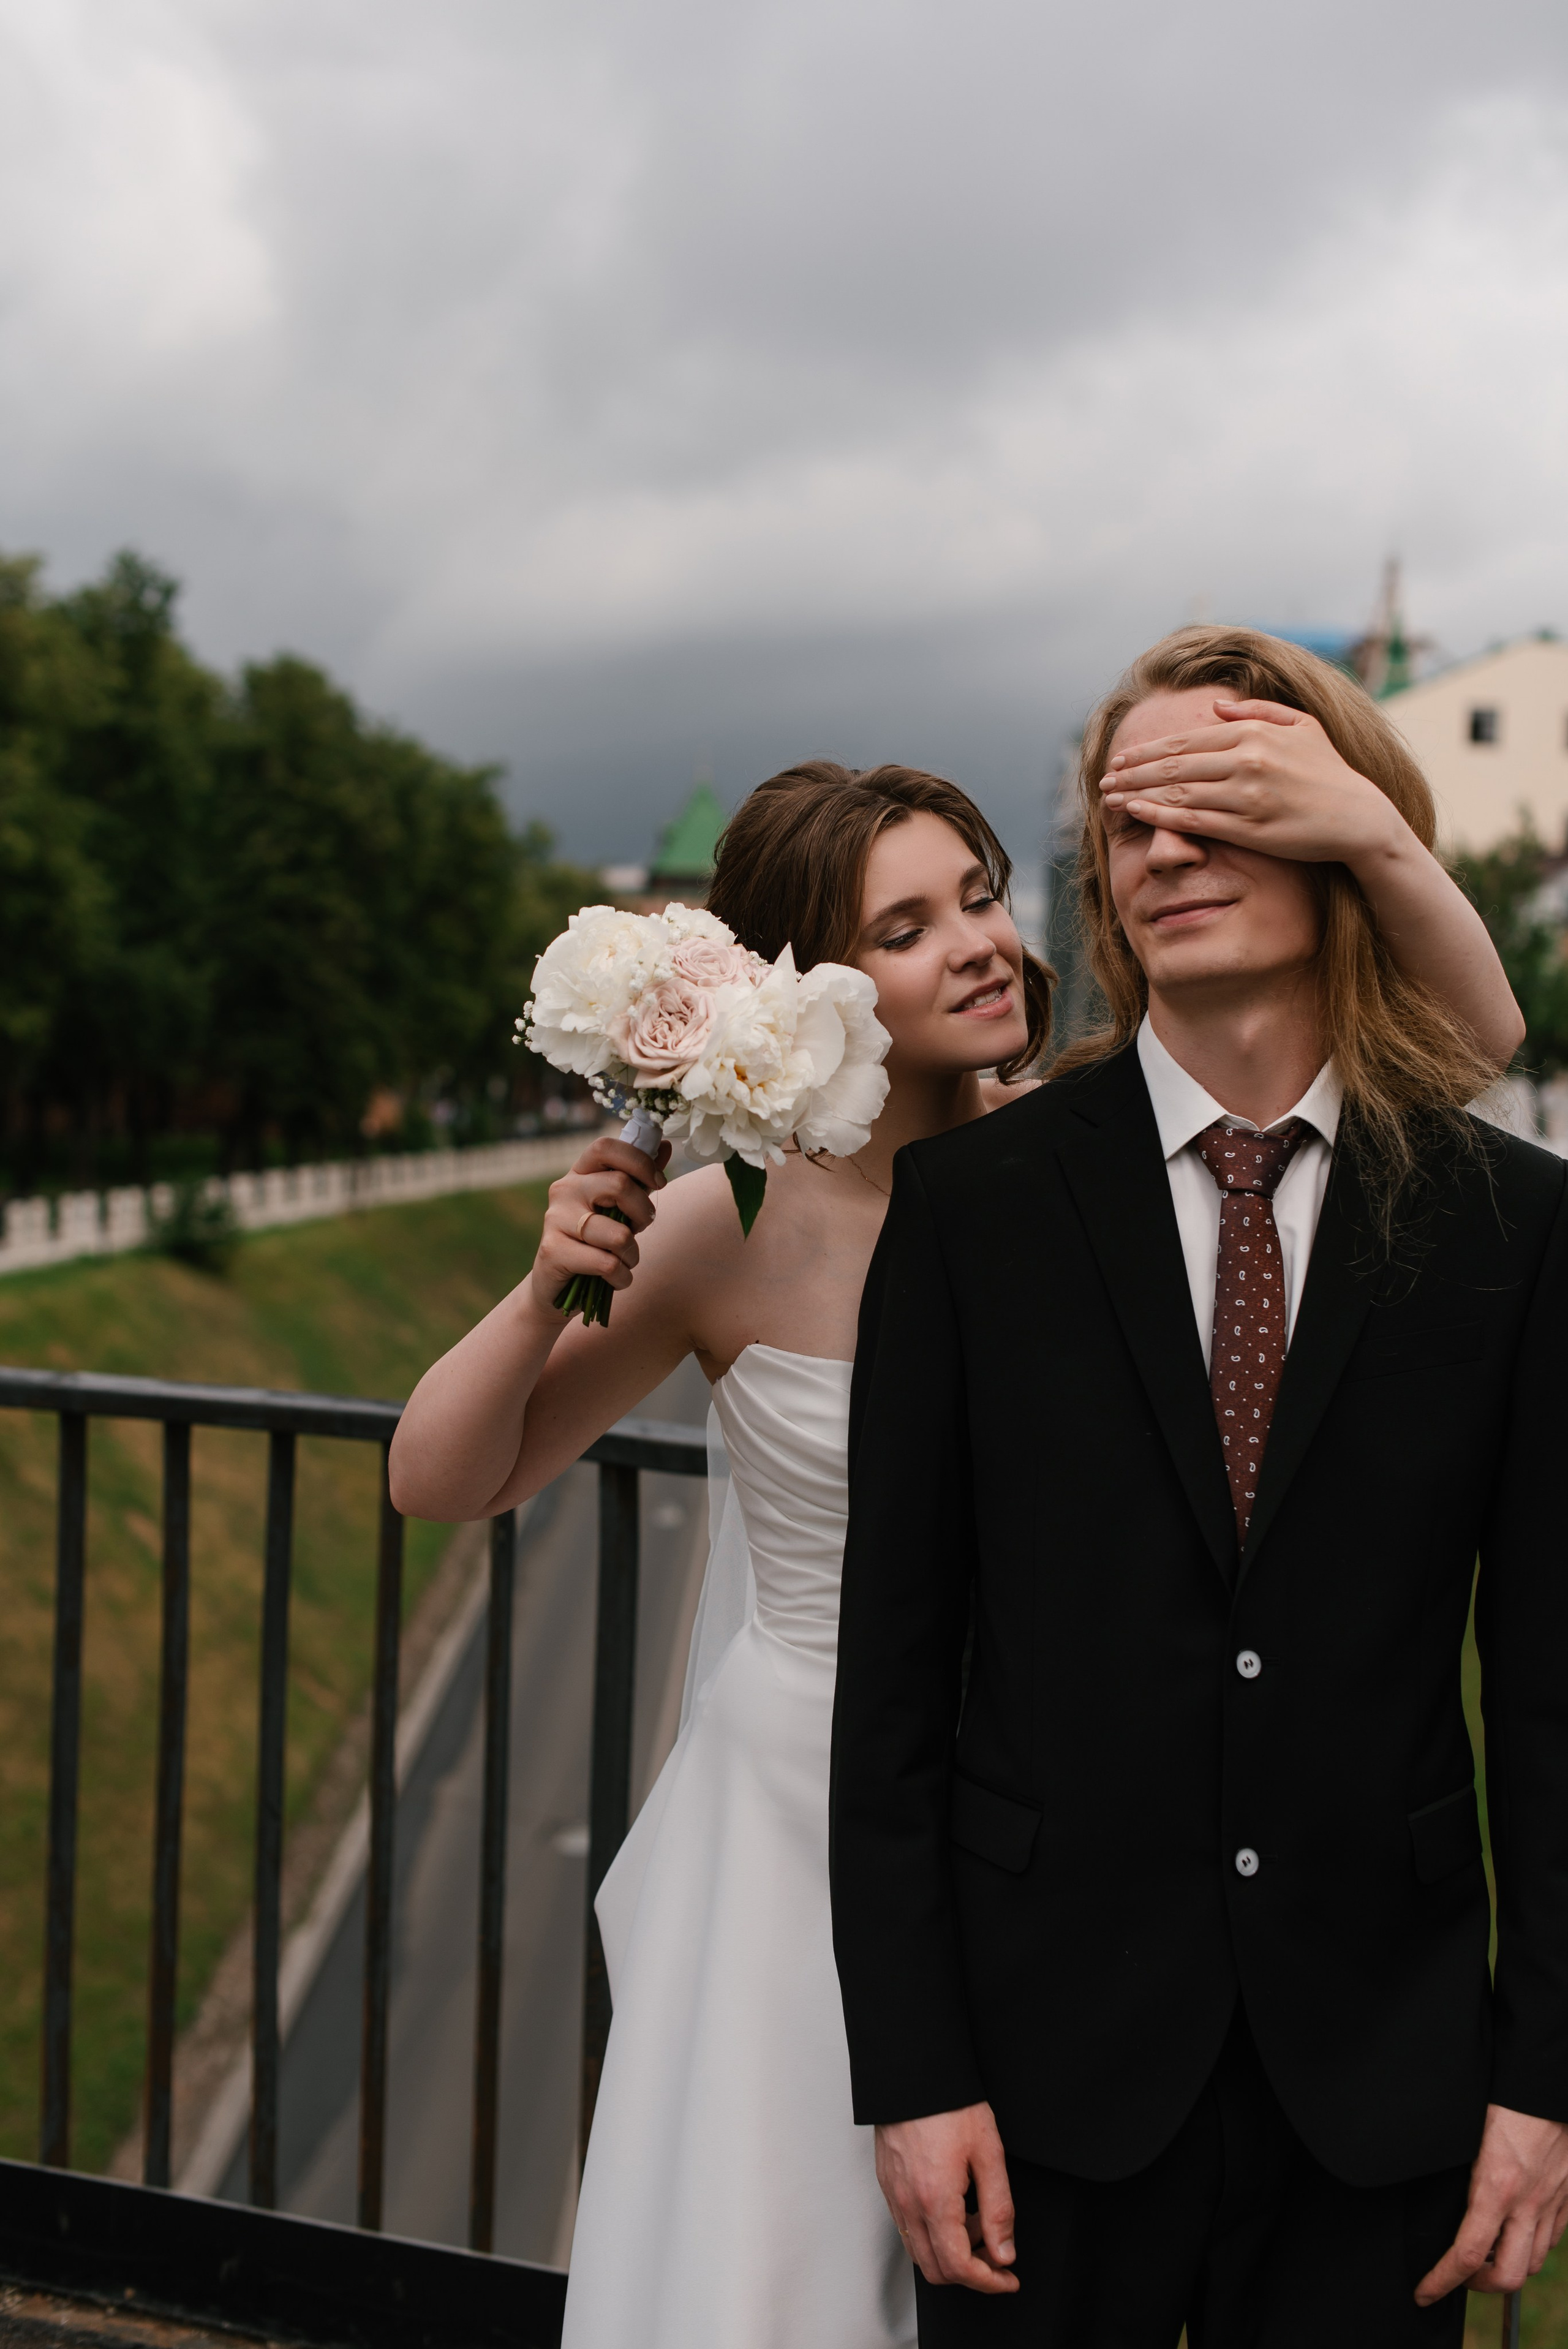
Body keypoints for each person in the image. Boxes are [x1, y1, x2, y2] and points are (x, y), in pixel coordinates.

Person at [389, 718, 1520, 2349]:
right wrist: (549, 1272)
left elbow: (1464, 1046)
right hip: (798, 1822)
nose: (982, 940)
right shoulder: (734, 1225)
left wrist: (1368, 829)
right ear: (800, 988)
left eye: (982, 894)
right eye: (903, 927)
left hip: (1048, 1821)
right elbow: (446, 1473)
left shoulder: (1080, 1159)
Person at [829, 626, 1567, 2349]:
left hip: (1381, 2076)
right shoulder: (975, 1215)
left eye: (1222, 805)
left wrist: (1541, 2080)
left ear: (1343, 833)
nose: (1162, 852)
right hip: (1036, 2075)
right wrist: (915, 2073)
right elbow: (895, 1690)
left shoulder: (1506, 1230)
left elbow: (1546, 1697)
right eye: (1128, 822)